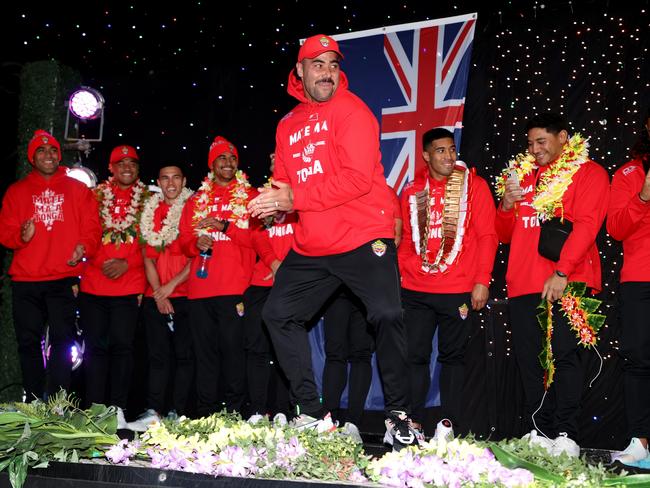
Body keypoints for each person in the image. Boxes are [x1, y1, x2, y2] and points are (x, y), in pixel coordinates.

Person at [248, 34, 419, 448]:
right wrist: (273, 205)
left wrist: (294, 198)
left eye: (333, 65)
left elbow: (358, 180)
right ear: (300, 71)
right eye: (318, 64)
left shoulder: (353, 111)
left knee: (386, 312)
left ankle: (399, 417)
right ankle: (311, 412)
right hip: (315, 244)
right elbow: (286, 183)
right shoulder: (287, 125)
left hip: (363, 234)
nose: (327, 72)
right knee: (277, 314)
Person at [495, 113, 609, 457]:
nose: (535, 149)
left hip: (569, 280)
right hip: (523, 281)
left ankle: (566, 434)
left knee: (565, 356)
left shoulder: (588, 173)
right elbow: (503, 234)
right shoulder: (521, 175)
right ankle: (539, 430)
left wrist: (561, 273)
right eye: (530, 143)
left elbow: (588, 225)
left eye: (541, 141)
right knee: (530, 361)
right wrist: (506, 204)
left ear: (563, 137)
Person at [398, 127, 497, 437]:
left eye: (452, 149)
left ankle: (448, 424)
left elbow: (488, 236)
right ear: (426, 156)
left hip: (457, 288)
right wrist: (402, 274)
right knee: (415, 356)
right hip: (415, 288)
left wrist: (482, 280)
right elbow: (403, 242)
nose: (449, 156)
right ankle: (411, 422)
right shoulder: (412, 191)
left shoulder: (474, 187)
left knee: (453, 358)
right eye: (440, 151)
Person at [0, 130, 100, 400]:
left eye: (53, 150)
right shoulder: (17, 191)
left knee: (62, 341)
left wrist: (83, 248)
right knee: (28, 343)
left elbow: (92, 228)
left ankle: (57, 403)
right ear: (32, 158)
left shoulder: (78, 189)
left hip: (63, 278)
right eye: (42, 151)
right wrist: (21, 236)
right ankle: (32, 401)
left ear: (59, 155)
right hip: (26, 280)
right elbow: (5, 234)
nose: (49, 155)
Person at [178, 136, 271, 417]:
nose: (228, 163)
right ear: (212, 164)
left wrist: (225, 226)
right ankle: (206, 413)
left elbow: (258, 239)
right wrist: (197, 244)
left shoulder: (252, 196)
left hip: (236, 288)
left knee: (234, 353)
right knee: (205, 355)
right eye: (222, 158)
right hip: (200, 290)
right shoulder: (196, 200)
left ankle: (233, 412)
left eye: (232, 158)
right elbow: (183, 241)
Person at [80, 145, 148, 428]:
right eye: (120, 163)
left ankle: (118, 409)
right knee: (94, 349)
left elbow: (152, 241)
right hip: (94, 283)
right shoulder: (93, 196)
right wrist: (96, 261)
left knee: (123, 348)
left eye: (132, 163)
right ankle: (94, 409)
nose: (127, 168)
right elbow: (86, 232)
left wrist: (127, 264)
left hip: (129, 284)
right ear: (110, 168)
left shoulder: (149, 198)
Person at [128, 165, 194, 431]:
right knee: (157, 356)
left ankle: (179, 411)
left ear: (183, 181)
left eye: (176, 177)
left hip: (187, 294)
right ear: (158, 181)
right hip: (156, 295)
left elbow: (199, 255)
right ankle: (153, 410)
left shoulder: (194, 208)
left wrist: (171, 287)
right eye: (165, 177)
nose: (171, 182)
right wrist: (159, 293)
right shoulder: (151, 210)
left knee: (185, 356)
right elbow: (147, 257)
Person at [607, 108, 650, 464]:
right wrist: (643, 196)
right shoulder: (629, 173)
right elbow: (615, 229)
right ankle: (640, 442)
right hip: (640, 278)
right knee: (638, 360)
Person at [244, 154, 292, 422]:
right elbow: (255, 231)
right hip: (260, 281)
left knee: (285, 348)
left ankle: (283, 410)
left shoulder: (302, 192)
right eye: (274, 158)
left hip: (292, 283)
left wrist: (290, 268)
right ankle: (257, 410)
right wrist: (274, 263)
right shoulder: (262, 194)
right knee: (257, 349)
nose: (278, 161)